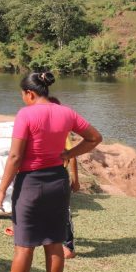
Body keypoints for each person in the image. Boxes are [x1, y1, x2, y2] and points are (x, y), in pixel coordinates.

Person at [0, 72, 103, 272]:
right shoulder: (67, 113)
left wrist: (1, 189)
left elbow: (15, 157)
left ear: (30, 93)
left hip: (30, 184)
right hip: (58, 182)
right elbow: (95, 138)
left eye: (22, 95)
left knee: (24, 246)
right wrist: (69, 155)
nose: (23, 99)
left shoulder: (26, 115)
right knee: (54, 243)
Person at [48, 97, 80, 260]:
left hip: (59, 176)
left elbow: (72, 155)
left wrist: (75, 180)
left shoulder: (61, 130)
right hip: (45, 176)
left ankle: (69, 247)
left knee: (63, 211)